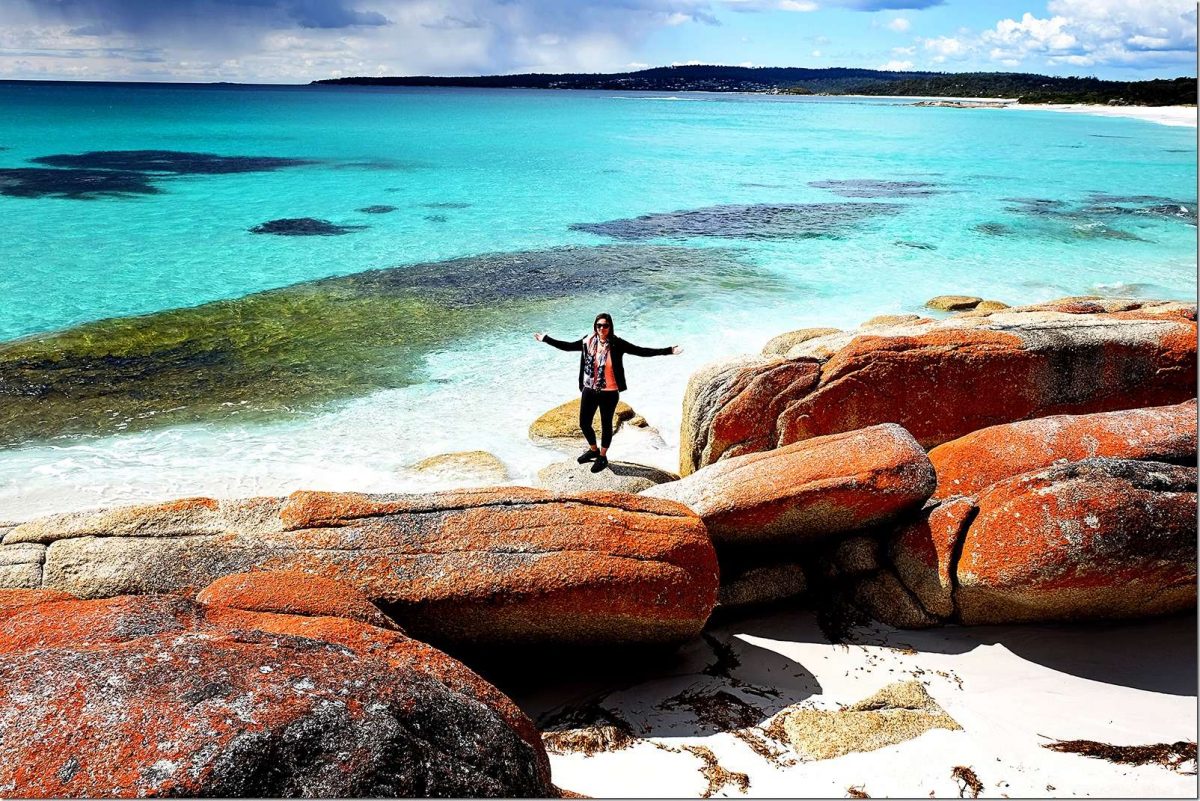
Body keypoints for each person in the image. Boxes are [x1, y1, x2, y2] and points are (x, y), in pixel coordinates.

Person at [535, 314, 682, 473]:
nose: (602, 329)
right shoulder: (587, 341)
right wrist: (546, 339)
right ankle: (593, 450)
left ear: (610, 326)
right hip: (589, 389)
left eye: (605, 325)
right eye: (599, 325)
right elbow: (568, 346)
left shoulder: (617, 344)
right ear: (595, 326)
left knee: (606, 425)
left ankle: (603, 456)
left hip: (610, 392)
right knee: (584, 423)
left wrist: (669, 351)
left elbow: (641, 351)